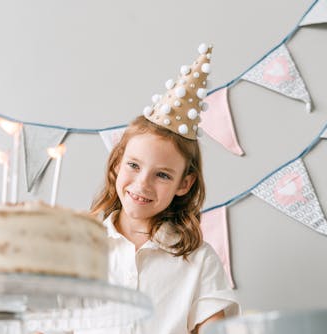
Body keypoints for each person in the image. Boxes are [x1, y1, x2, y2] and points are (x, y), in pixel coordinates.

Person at [85, 44, 239, 334]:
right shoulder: (78, 248)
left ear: (184, 184)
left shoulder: (199, 261)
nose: (143, 184)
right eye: (133, 165)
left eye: (163, 175)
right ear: (117, 163)